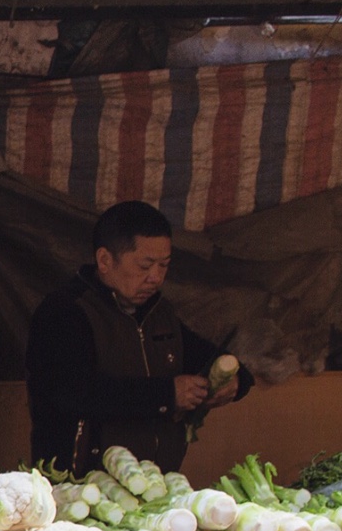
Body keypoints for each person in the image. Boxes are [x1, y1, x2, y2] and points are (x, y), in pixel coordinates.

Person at [26, 200, 250, 475]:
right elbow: (73, 393)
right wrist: (166, 394)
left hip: (154, 485)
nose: (155, 278)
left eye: (164, 266)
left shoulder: (159, 314)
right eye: (145, 266)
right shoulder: (65, 312)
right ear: (105, 260)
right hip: (80, 486)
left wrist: (238, 382)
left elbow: (207, 356)